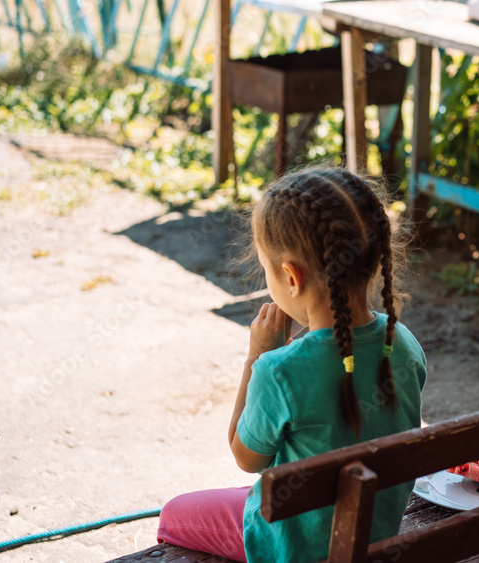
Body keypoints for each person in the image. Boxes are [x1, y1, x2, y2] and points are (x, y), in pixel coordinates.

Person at [157, 167, 427, 562]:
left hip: (291, 547)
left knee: (172, 515)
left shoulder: (278, 370)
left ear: (291, 277)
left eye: (266, 268)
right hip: (376, 534)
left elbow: (246, 458)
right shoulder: (400, 342)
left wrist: (258, 356)